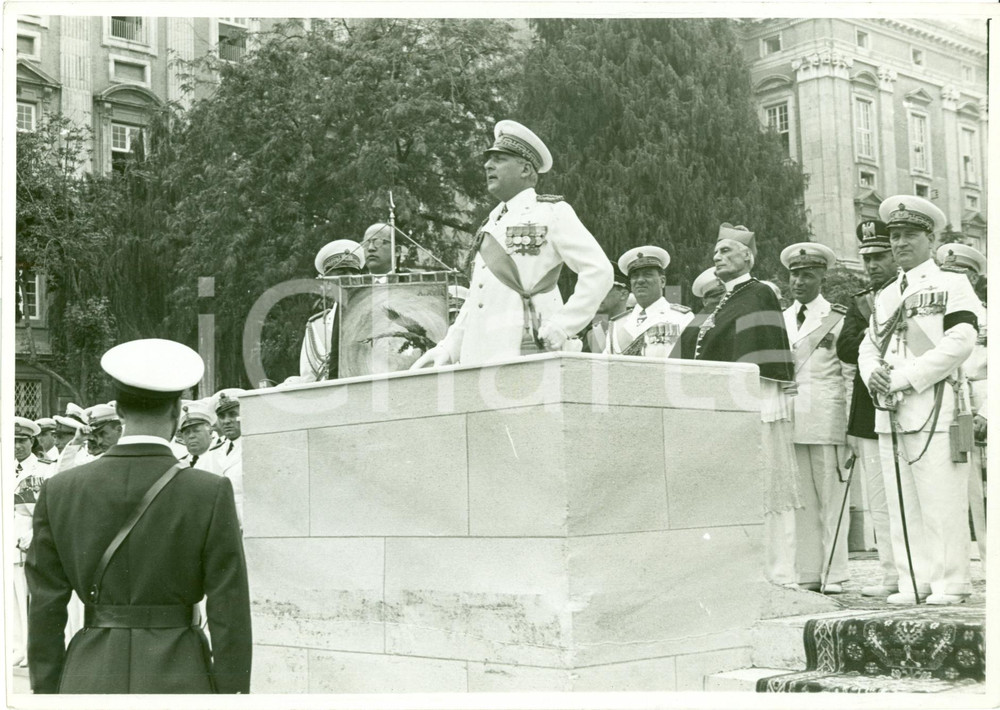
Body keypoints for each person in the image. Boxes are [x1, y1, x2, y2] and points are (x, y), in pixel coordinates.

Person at [25, 338, 251, 693]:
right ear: (178, 413)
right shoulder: (209, 491)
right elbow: (229, 610)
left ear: (120, 412)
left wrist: (48, 689)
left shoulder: (60, 490)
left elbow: (45, 609)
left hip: (90, 671)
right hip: (181, 669)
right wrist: (231, 691)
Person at [858, 196, 980, 605]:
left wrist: (905, 378)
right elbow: (868, 347)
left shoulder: (952, 283)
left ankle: (950, 582)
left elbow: (961, 341)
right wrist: (871, 372)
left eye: (909, 234)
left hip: (934, 405)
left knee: (940, 499)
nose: (899, 243)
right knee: (901, 501)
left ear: (930, 238)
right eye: (894, 235)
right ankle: (915, 582)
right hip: (890, 410)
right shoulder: (887, 294)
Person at [412, 120, 612, 367]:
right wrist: (449, 347)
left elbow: (599, 271)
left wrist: (563, 325)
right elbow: (478, 297)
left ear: (526, 169)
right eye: (488, 159)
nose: (487, 165)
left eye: (499, 159)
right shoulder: (489, 225)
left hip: (528, 351)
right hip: (479, 358)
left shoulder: (551, 213)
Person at [677, 223, 800, 586]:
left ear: (747, 256)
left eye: (727, 250)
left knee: (768, 486)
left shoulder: (759, 293)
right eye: (716, 251)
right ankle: (743, 571)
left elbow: (759, 355)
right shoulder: (720, 302)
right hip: (724, 411)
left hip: (756, 404)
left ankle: (780, 572)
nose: (718, 256)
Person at [779, 242, 853, 594]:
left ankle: (835, 574)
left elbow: (849, 375)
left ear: (822, 276)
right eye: (794, 274)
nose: (799, 281)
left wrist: (850, 427)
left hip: (828, 417)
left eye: (807, 274)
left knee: (831, 499)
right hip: (792, 419)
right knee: (801, 501)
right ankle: (808, 571)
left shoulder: (837, 317)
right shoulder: (780, 318)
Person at [836, 219, 900, 597]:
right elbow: (845, 349)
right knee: (879, 500)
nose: (872, 265)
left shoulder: (908, 293)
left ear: (894, 255)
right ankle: (892, 575)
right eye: (867, 259)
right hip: (868, 410)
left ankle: (918, 574)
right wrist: (874, 331)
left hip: (908, 403)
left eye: (879, 257)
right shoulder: (860, 300)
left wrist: (876, 331)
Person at [936, 241, 987, 564]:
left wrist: (987, 412)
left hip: (981, 401)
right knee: (956, 487)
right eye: (948, 272)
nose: (955, 280)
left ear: (975, 278)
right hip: (947, 405)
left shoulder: (986, 315)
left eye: (962, 273)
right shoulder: (934, 315)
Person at [291, 239, 365, 383]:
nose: (349, 278)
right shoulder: (316, 327)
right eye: (342, 273)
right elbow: (308, 378)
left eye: (354, 273)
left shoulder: (376, 317)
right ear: (327, 283)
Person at [12, 417, 53, 666]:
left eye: (22, 440)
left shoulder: (45, 470)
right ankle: (17, 647)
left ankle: (31, 649)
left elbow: (45, 509)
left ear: (32, 441)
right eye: (13, 440)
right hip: (9, 543)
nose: (17, 446)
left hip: (31, 542)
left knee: (31, 598)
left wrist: (33, 535)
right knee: (12, 597)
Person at [604, 246, 693, 356]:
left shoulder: (682, 318)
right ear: (631, 283)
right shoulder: (616, 324)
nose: (640, 280)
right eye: (635, 276)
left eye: (648, 275)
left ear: (663, 281)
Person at [214, 388, 247, 527]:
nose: (226, 421)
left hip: (247, 521)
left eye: (232, 414)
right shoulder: (215, 451)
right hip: (220, 522)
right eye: (222, 416)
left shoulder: (254, 446)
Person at [581, 267, 629, 353]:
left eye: (604, 289)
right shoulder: (591, 332)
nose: (598, 295)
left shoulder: (633, 326)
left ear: (623, 294)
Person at [177, 399, 222, 472]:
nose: (191, 436)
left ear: (210, 431)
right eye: (187, 432)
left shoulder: (222, 458)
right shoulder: (180, 465)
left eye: (196, 430)